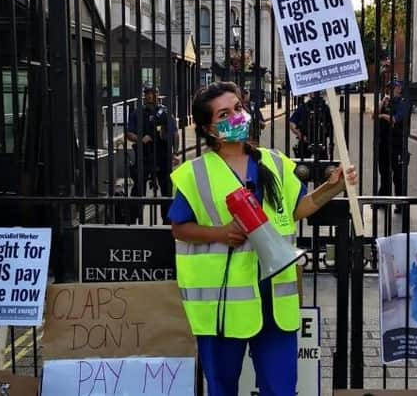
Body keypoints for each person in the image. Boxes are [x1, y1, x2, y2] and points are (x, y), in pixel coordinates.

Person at [168, 81, 357, 396]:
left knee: (282, 389)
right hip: (223, 304)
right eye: (224, 114)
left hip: (275, 300)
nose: (237, 117)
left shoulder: (273, 161)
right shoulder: (193, 173)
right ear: (207, 128)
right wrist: (219, 233)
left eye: (238, 108)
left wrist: (334, 187)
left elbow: (298, 209)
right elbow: (179, 227)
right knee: (222, 389)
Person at [126, 85, 179, 223]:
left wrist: (175, 152)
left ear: (157, 95)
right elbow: (129, 133)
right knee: (139, 188)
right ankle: (132, 219)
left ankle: (168, 221)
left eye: (152, 93)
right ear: (144, 96)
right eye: (147, 93)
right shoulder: (137, 113)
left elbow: (175, 133)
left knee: (167, 189)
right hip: (144, 155)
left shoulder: (165, 113)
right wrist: (140, 138)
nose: (150, 96)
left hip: (162, 155)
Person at [376, 80, 410, 207]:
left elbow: (395, 119)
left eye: (394, 87)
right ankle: (382, 201)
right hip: (383, 143)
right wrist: (381, 103)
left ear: (399, 89)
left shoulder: (403, 103)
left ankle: (399, 203)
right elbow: (374, 115)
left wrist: (382, 115)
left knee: (398, 175)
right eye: (389, 87)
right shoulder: (386, 101)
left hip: (397, 144)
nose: (391, 90)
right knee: (384, 173)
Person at [289, 92, 333, 159]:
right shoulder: (303, 107)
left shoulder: (325, 108)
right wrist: (300, 135)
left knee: (321, 166)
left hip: (320, 141)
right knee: (304, 166)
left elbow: (330, 125)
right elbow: (292, 123)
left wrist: (331, 142)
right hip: (306, 141)